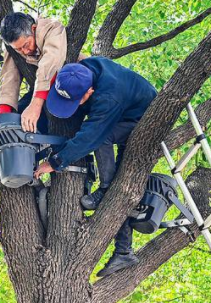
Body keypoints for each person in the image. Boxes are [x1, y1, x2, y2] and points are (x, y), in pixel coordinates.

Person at [34, 56, 157, 276]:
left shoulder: (108, 98)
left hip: (141, 118)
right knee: (112, 162)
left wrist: (54, 163)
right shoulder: (79, 71)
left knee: (103, 138)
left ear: (90, 92)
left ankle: (106, 189)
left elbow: (91, 136)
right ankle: (124, 250)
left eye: (77, 101)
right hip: (125, 106)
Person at [0, 12, 67, 134]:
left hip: (70, 83)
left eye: (26, 45)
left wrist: (35, 105)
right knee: (20, 114)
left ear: (33, 29)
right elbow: (9, 78)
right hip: (41, 88)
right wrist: (4, 119)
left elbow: (50, 64)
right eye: (18, 49)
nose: (24, 51)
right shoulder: (16, 48)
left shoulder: (52, 27)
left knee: (38, 112)